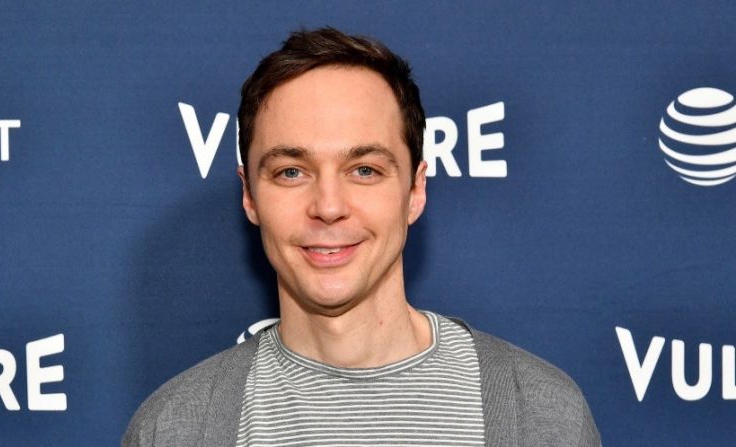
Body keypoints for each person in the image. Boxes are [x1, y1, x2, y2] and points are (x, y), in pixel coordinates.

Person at [123, 27, 600, 447]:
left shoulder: (540, 414)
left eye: (364, 170)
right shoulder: (175, 428)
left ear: (414, 190)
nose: (328, 206)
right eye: (291, 171)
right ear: (249, 195)